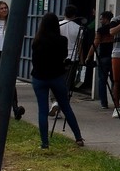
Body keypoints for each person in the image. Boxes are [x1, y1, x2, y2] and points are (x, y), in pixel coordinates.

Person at [30, 12, 84, 149]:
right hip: (57, 76)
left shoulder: (36, 41)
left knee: (42, 111)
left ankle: (44, 143)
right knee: (66, 107)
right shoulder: (62, 40)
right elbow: (64, 56)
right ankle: (78, 137)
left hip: (39, 77)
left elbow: (34, 60)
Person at [85, 9, 120, 111]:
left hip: (104, 58)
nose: (100, 21)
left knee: (102, 80)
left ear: (106, 19)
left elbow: (95, 44)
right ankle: (116, 101)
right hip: (115, 57)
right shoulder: (118, 27)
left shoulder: (101, 30)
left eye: (101, 19)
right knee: (115, 81)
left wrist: (88, 57)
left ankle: (104, 103)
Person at [58, 5, 84, 95]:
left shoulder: (58, 25)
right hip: (73, 58)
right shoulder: (79, 28)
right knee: (68, 82)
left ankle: (56, 99)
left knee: (57, 79)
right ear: (74, 15)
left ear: (64, 13)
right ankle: (64, 97)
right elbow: (80, 46)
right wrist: (82, 61)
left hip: (59, 57)